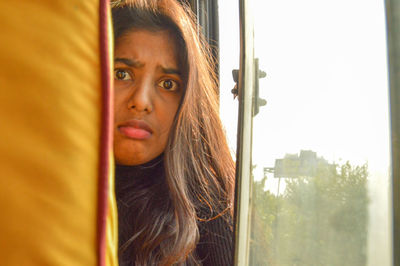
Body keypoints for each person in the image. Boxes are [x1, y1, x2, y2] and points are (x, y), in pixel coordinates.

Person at [112, 0, 235, 265]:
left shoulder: (212, 215)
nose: (141, 101)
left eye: (168, 83)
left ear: (186, 104)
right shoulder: (39, 184)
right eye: (122, 74)